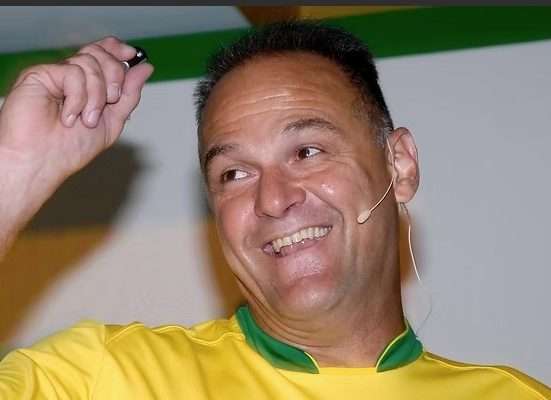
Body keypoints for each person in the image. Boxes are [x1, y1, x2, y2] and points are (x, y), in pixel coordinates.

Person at [0, 21, 549, 399]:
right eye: (234, 174)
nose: (272, 199)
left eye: (307, 152)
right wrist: (14, 171)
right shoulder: (106, 378)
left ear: (399, 165)